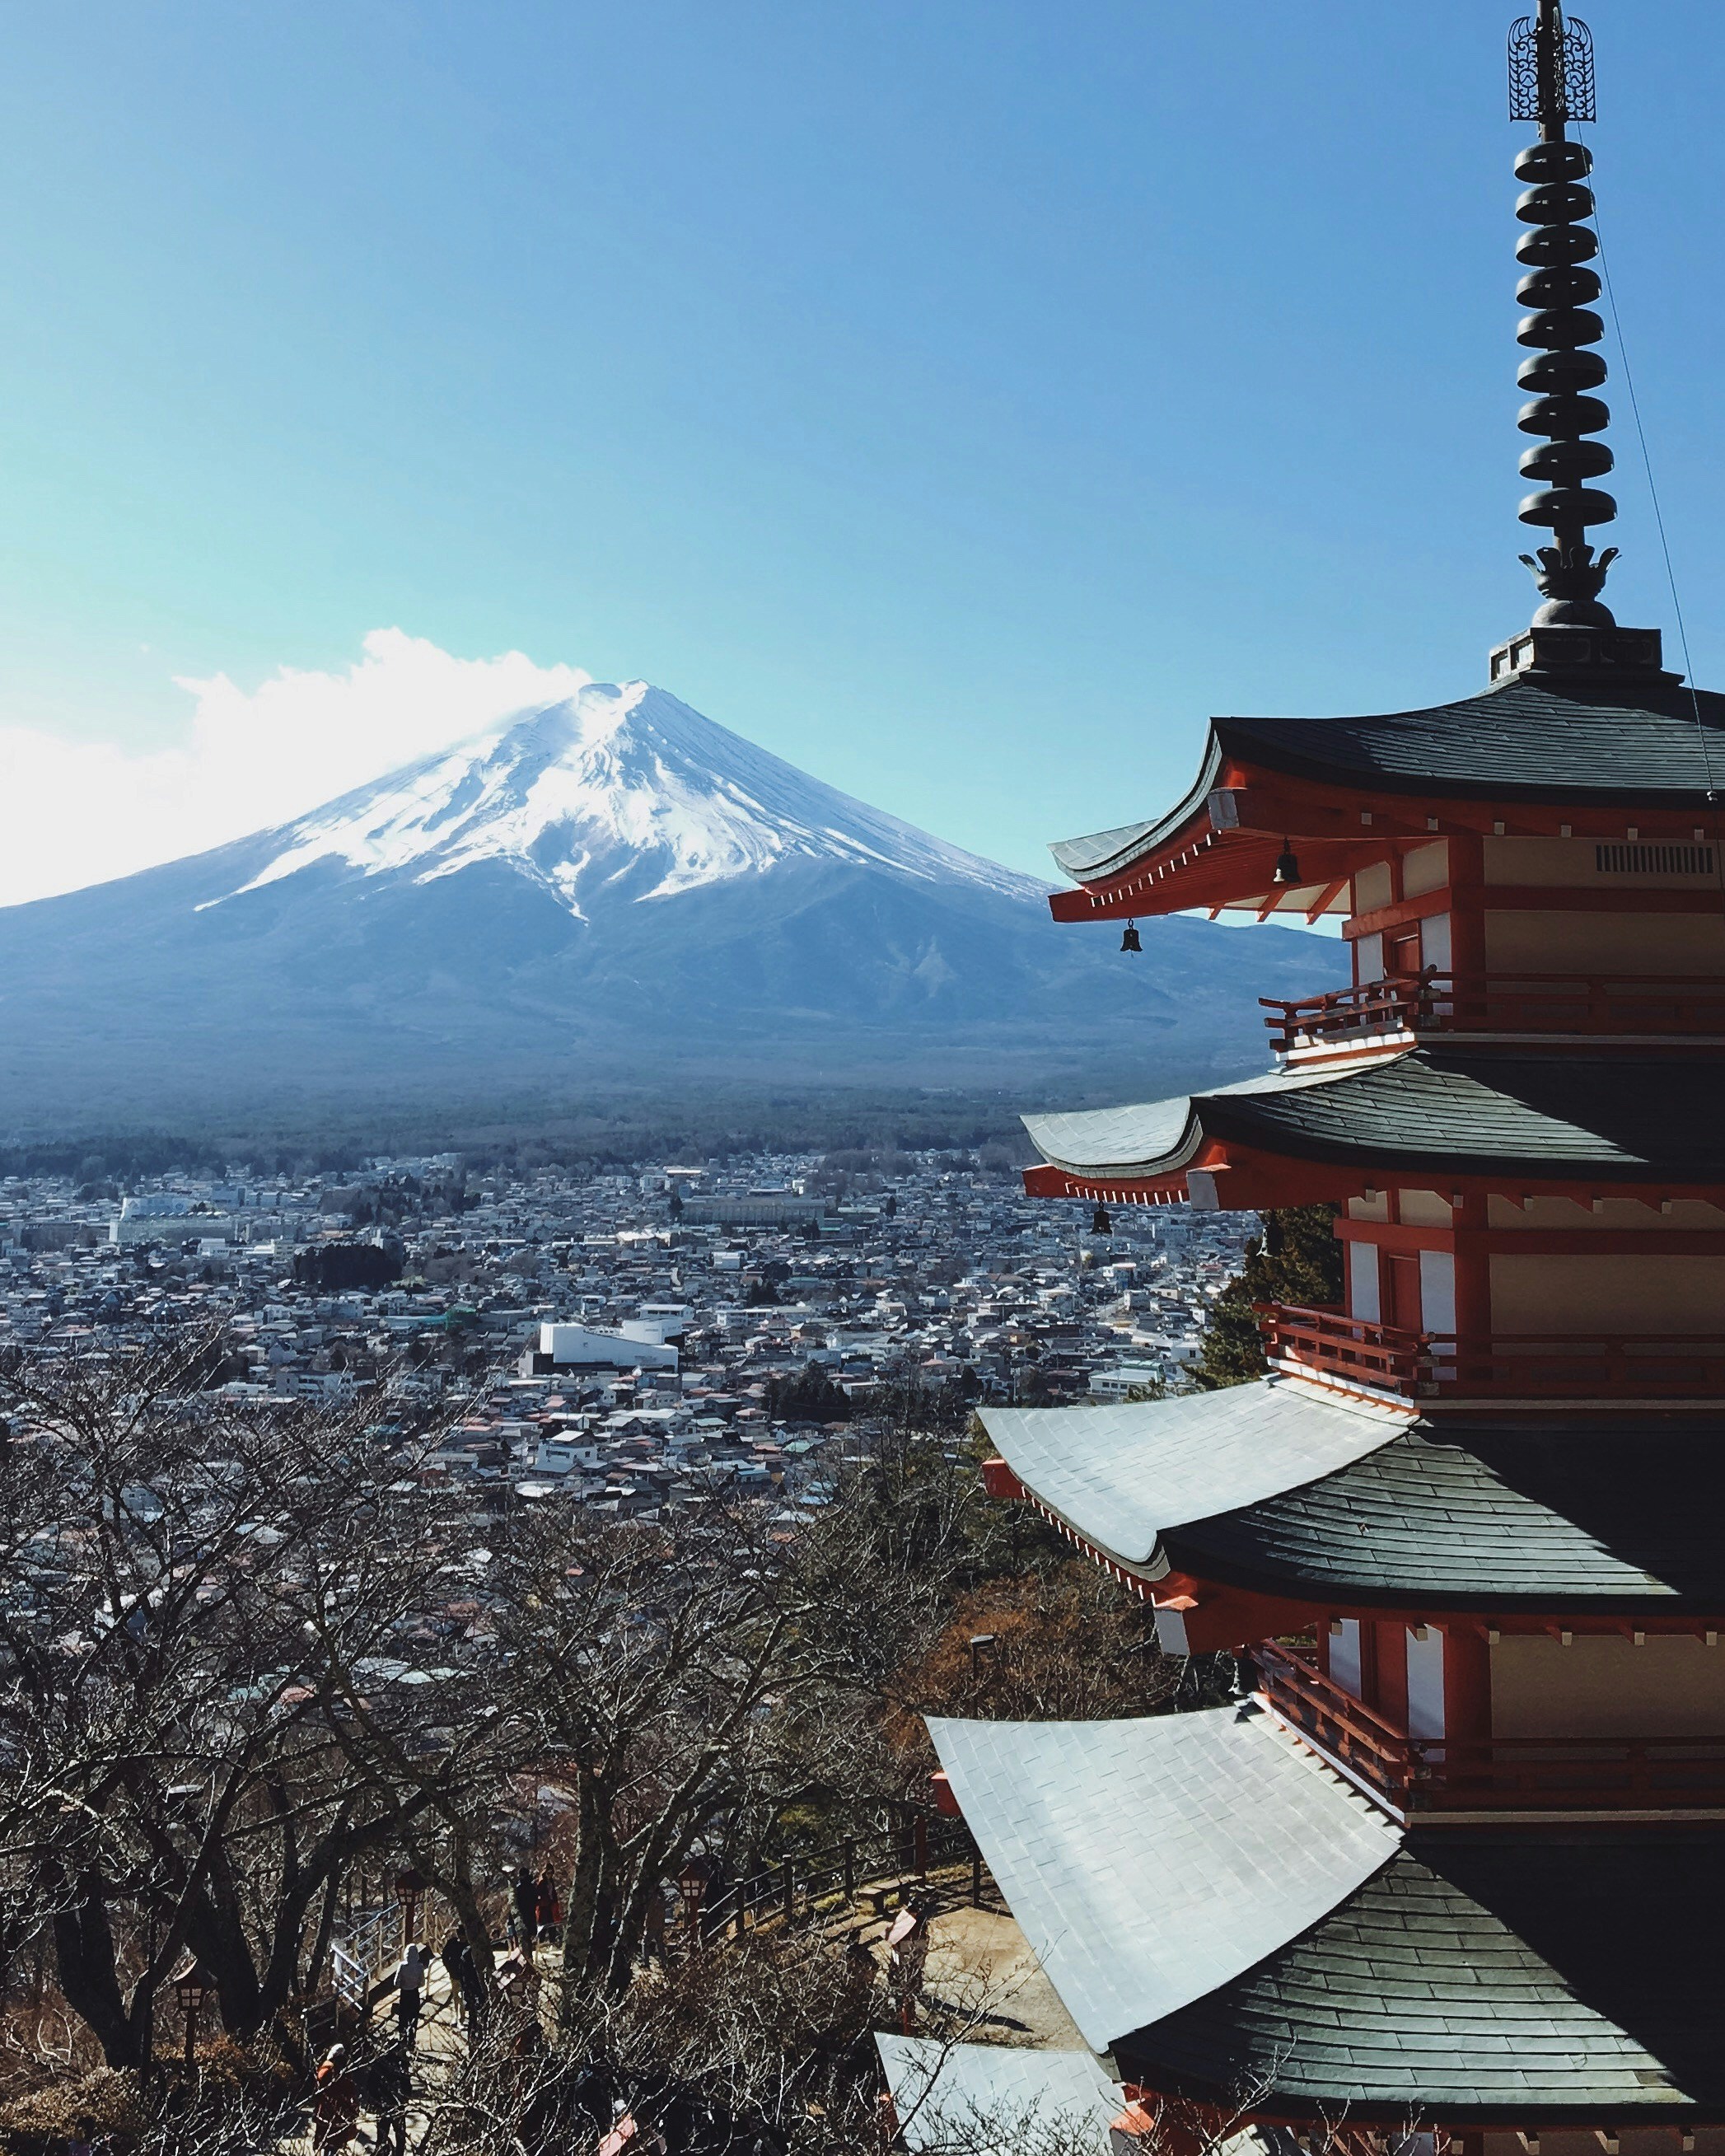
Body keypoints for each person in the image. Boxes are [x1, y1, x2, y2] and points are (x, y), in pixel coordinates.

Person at [312, 2044, 361, 2153]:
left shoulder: (326, 2067)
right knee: (334, 2140)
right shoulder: (336, 2068)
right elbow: (348, 2088)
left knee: (327, 2139)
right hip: (337, 2108)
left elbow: (318, 2087)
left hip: (326, 2108)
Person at [395, 1940, 425, 2045]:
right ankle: (411, 2040)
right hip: (414, 1993)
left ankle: (401, 2039)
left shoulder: (402, 1966)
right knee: (413, 2017)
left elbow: (396, 1983)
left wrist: (403, 1984)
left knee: (403, 2017)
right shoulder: (420, 1967)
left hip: (404, 1993)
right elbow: (422, 1983)